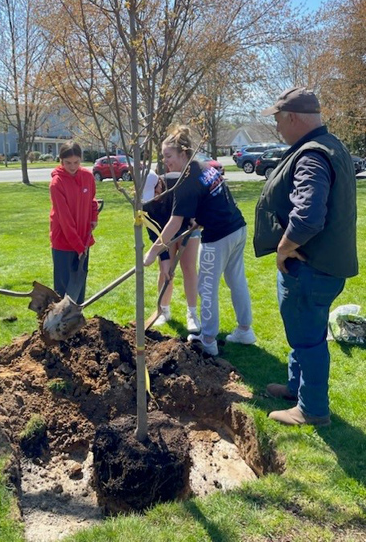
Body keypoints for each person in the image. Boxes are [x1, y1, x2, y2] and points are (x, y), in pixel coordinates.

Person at [254, 87, 358, 427]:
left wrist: (284, 248)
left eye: (279, 121)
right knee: (301, 331)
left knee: (309, 339)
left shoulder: (311, 155)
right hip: (324, 266)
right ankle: (296, 389)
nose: (278, 129)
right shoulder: (330, 145)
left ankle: (312, 409)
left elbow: (309, 216)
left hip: (310, 269)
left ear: (294, 118)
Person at [144, 126, 255, 356]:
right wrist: (201, 218)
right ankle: (245, 330)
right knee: (237, 280)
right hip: (238, 227)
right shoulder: (203, 167)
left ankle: (207, 340)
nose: (166, 162)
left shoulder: (186, 180)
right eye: (164, 157)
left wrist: (153, 251)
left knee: (206, 286)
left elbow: (175, 223)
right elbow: (215, 198)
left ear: (183, 153)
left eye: (168, 156)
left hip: (220, 235)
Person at [142, 170, 201, 331]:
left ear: (159, 182)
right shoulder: (143, 202)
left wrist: (196, 217)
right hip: (165, 233)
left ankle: (192, 314)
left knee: (188, 268)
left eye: (156, 191)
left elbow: (198, 197)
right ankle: (163, 311)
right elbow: (155, 232)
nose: (154, 196)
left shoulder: (177, 182)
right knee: (164, 270)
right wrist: (165, 258)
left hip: (189, 226)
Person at [49, 141, 99, 304]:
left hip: (83, 238)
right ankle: (60, 322)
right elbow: (65, 219)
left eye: (76, 162)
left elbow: (92, 200)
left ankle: (76, 317)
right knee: (63, 287)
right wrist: (78, 247)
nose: (72, 166)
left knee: (79, 284)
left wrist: (93, 218)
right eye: (68, 163)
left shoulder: (87, 177)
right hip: (63, 240)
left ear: (81, 159)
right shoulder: (57, 183)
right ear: (61, 161)